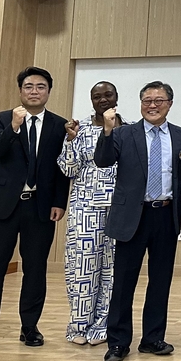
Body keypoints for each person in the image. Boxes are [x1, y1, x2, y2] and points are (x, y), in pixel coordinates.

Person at [0, 66, 68, 352]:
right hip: (1, 206)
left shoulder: (59, 125)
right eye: (29, 87)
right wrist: (13, 127)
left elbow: (62, 169)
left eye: (40, 87)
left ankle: (29, 327)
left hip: (40, 207)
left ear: (49, 91)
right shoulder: (2, 118)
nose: (34, 91)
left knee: (35, 269)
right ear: (20, 91)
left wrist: (60, 201)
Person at [94, 80, 181, 361]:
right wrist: (107, 131)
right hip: (132, 216)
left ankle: (152, 339)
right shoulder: (124, 133)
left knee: (161, 281)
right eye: (147, 100)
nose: (152, 105)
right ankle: (118, 342)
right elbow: (103, 160)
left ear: (169, 105)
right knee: (124, 282)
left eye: (159, 100)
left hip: (166, 215)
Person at [58, 80, 123, 345]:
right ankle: (78, 325)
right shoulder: (78, 128)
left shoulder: (129, 129)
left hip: (119, 209)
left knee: (112, 269)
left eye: (108, 94)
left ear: (117, 97)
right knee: (82, 268)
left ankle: (102, 326)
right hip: (85, 208)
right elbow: (68, 169)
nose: (103, 99)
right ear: (91, 100)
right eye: (97, 96)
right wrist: (71, 141)